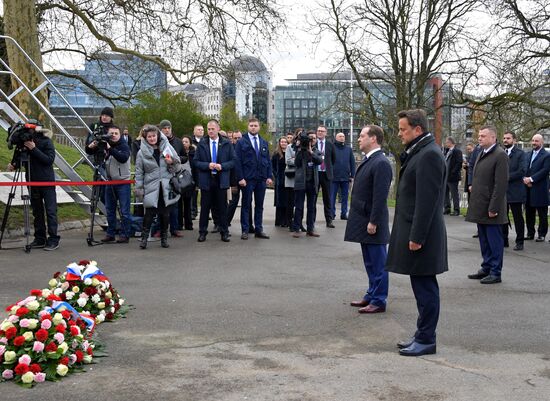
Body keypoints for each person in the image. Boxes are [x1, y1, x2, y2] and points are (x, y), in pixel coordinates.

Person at [385, 109, 448, 357]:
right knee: (421, 287)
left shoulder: (429, 155)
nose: (399, 133)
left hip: (424, 237)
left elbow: (427, 202)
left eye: (403, 129)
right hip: (418, 234)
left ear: (417, 130)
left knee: (425, 288)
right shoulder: (422, 152)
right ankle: (422, 334)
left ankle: (426, 339)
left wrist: (417, 237)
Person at [345, 125, 392, 314]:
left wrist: (374, 221)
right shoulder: (369, 160)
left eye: (362, 136)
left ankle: (379, 300)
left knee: (379, 263)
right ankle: (372, 294)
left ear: (373, 139)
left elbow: (380, 197)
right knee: (370, 262)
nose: (358, 139)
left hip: (372, 222)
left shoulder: (380, 162)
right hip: (363, 220)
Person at [466, 126, 509, 284]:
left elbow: (501, 184)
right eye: (479, 135)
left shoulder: (500, 155)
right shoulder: (481, 152)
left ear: (493, 138)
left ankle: (496, 272)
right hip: (480, 205)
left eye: (483, 136)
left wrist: (494, 207)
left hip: (491, 207)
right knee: (484, 240)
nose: (479, 138)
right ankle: (487, 267)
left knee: (494, 241)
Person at [8, 122, 60, 251]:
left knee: (51, 211)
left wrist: (34, 149)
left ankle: (53, 239)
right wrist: (14, 164)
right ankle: (40, 238)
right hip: (31, 181)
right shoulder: (23, 144)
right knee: (37, 212)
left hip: (47, 182)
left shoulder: (46, 141)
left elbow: (49, 160)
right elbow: (18, 160)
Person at [134, 125, 181, 249]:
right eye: (149, 136)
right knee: (149, 214)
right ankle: (144, 239)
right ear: (145, 138)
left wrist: (171, 163)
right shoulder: (141, 152)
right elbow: (139, 172)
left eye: (154, 135)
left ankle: (164, 239)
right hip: (151, 186)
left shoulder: (167, 147)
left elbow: (178, 167)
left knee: (165, 214)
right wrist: (139, 189)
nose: (152, 138)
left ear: (158, 135)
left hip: (166, 186)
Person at [86, 125, 132, 244]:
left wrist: (110, 148)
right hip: (109, 181)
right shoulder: (104, 144)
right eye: (111, 133)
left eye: (116, 133)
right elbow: (89, 152)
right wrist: (93, 145)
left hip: (123, 182)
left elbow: (123, 158)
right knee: (109, 209)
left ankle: (125, 234)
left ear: (120, 134)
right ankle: (110, 233)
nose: (114, 136)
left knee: (124, 211)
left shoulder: (124, 145)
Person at [194, 119, 235, 242]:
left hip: (221, 179)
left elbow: (233, 161)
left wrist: (222, 166)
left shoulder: (226, 144)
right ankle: (202, 232)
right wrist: (207, 165)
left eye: (213, 129)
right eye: (209, 129)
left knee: (222, 207)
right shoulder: (202, 143)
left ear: (218, 129)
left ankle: (224, 232)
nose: (210, 131)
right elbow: (196, 162)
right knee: (205, 207)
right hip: (207, 179)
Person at [235, 117, 273, 240]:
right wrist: (240, 177)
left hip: (261, 179)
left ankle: (259, 229)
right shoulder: (242, 142)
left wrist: (269, 176)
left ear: (259, 127)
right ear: (248, 126)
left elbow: (267, 160)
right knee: (246, 204)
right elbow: (237, 161)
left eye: (255, 125)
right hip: (247, 179)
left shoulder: (263, 142)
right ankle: (245, 230)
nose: (253, 127)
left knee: (260, 205)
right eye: (251, 125)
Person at [157, 119, 186, 238]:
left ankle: (175, 228)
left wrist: (175, 159)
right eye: (164, 128)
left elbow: (185, 157)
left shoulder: (178, 142)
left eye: (168, 128)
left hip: (173, 177)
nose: (167, 130)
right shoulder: (156, 142)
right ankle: (161, 229)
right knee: (160, 205)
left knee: (174, 204)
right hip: (160, 177)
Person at [291, 131, 322, 238]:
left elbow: (319, 161)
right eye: (310, 138)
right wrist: (300, 149)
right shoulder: (300, 151)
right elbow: (297, 163)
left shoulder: (316, 151)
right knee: (299, 206)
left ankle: (310, 229)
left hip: (312, 183)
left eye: (314, 138)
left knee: (311, 207)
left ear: (316, 140)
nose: (312, 140)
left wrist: (310, 152)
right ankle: (296, 229)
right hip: (301, 182)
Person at [502, 131, 526, 251]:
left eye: (508, 138)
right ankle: (504, 240)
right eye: (504, 138)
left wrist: (505, 177)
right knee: (503, 217)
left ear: (514, 140)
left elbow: (522, 171)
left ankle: (520, 241)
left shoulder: (520, 154)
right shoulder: (501, 152)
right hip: (503, 192)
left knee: (517, 217)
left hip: (516, 191)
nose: (505, 140)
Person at [523, 133, 550, 242]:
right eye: (533, 140)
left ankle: (542, 234)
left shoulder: (546, 155)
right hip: (527, 188)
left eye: (536, 141)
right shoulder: (528, 154)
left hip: (540, 188)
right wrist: (525, 179)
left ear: (542, 142)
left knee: (542, 213)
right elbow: (524, 167)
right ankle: (530, 233)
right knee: (529, 212)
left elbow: (544, 171)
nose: (534, 143)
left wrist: (531, 179)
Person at [331, 132, 356, 220]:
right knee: (332, 197)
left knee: (345, 197)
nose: (342, 138)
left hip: (346, 177)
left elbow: (352, 163)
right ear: (336, 138)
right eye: (340, 136)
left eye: (343, 136)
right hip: (334, 177)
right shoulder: (332, 148)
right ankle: (332, 214)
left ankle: (344, 214)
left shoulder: (348, 149)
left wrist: (352, 175)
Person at [315, 125, 336, 228]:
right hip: (315, 174)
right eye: (318, 131)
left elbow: (333, 159)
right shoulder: (313, 144)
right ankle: (312, 221)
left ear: (326, 133)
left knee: (327, 199)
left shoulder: (330, 145)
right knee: (313, 198)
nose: (320, 132)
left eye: (322, 131)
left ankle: (329, 220)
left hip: (326, 174)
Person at [272, 137, 289, 227]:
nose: (283, 143)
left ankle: (287, 221)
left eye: (285, 142)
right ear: (279, 143)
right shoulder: (276, 154)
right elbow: (273, 166)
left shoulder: (290, 153)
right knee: (280, 201)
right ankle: (279, 221)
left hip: (289, 179)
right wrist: (276, 175)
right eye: (282, 142)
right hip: (280, 180)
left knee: (287, 200)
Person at [443, 137, 463, 216]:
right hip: (446, 176)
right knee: (445, 193)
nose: (446, 144)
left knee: (454, 193)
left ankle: (456, 210)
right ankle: (447, 208)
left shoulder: (457, 151)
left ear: (451, 142)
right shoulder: (447, 151)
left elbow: (459, 163)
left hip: (452, 176)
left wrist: (452, 173)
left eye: (447, 142)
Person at [180, 136, 195, 231]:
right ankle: (179, 224)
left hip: (190, 181)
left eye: (186, 141)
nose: (184, 143)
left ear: (190, 143)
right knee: (179, 204)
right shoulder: (178, 153)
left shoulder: (193, 154)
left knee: (188, 203)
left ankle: (188, 224)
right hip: (180, 180)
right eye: (183, 141)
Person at [191, 124, 205, 219]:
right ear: (194, 131)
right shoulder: (191, 142)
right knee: (194, 193)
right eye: (198, 130)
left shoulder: (205, 141)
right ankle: (193, 211)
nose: (200, 131)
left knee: (205, 193)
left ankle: (205, 212)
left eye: (202, 130)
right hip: (194, 170)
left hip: (204, 170)